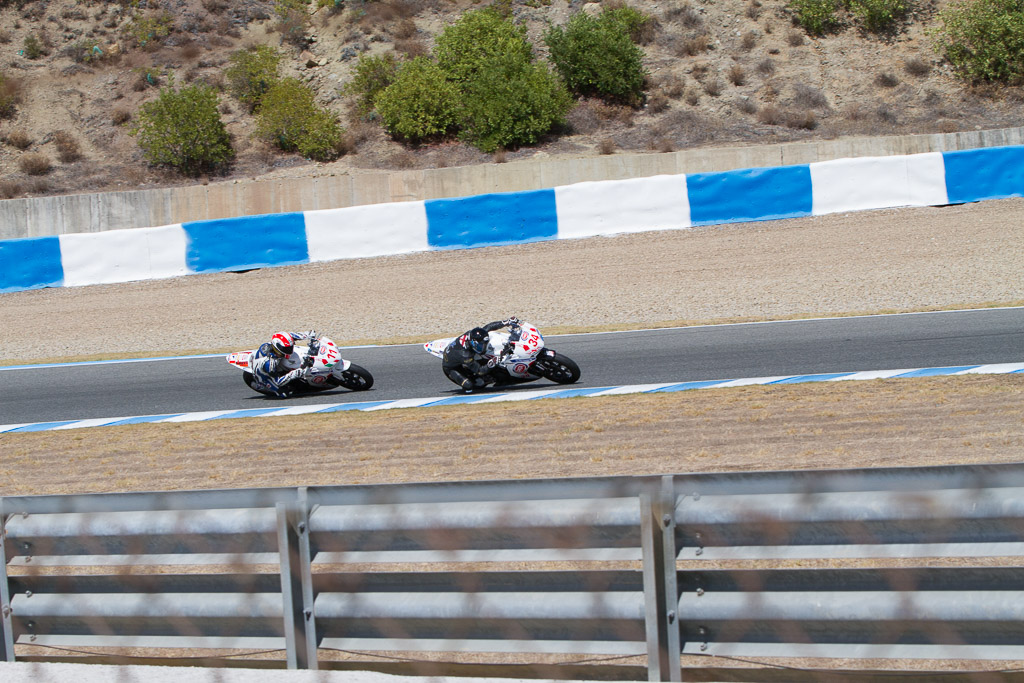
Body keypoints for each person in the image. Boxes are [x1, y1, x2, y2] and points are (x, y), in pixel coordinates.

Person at [442, 317, 520, 392]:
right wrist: (491, 364)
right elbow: (480, 371)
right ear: (473, 343)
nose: (483, 347)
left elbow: (489, 327)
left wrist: (507, 322)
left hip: (457, 353)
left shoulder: (473, 335)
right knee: (470, 385)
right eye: (481, 345)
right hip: (452, 368)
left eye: (484, 344)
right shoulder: (465, 355)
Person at [246, 330, 318, 397]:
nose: (289, 350)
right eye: (286, 349)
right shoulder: (270, 364)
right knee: (284, 394)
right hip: (265, 376)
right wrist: (295, 373)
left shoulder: (280, 346)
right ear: (277, 348)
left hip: (270, 360)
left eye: (290, 347)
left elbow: (292, 336)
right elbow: (277, 382)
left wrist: (308, 335)